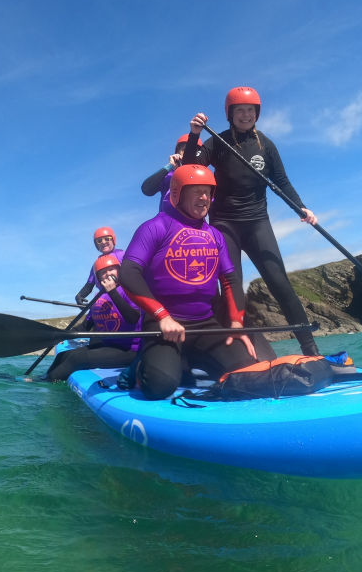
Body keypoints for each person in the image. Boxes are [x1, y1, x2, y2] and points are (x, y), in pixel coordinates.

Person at [183, 86, 320, 356]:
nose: (245, 115)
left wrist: (301, 207)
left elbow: (281, 181)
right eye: (239, 110)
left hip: (258, 223)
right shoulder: (217, 142)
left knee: (279, 282)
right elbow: (190, 169)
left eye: (250, 110)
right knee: (233, 287)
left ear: (256, 113)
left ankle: (310, 348)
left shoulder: (266, 145)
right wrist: (194, 135)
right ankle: (238, 351)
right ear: (230, 114)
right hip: (225, 224)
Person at [119, 163, 276, 400]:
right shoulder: (155, 227)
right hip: (165, 325)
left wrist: (235, 323)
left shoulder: (215, 235)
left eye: (208, 191)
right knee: (159, 386)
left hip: (206, 323)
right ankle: (142, 365)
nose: (205, 198)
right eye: (197, 191)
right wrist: (162, 316)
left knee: (247, 373)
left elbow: (230, 280)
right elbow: (128, 272)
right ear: (177, 193)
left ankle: (190, 359)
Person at [46, 254, 143, 382]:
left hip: (130, 351)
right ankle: (43, 378)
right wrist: (63, 335)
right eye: (103, 272)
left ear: (119, 271)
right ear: (98, 277)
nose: (108, 274)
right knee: (65, 355)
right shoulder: (99, 297)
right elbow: (86, 325)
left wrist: (113, 292)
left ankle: (45, 383)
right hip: (109, 346)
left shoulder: (128, 290)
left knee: (77, 358)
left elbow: (133, 318)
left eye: (111, 269)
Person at [140, 134, 206, 211]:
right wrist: (170, 165)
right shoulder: (168, 175)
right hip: (168, 221)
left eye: (193, 151)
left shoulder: (204, 176)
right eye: (185, 150)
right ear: (178, 153)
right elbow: (147, 189)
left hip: (195, 222)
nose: (189, 153)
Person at [74, 227, 125, 305]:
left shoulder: (123, 255)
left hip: (124, 297)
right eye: (99, 241)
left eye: (107, 239)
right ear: (96, 245)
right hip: (106, 299)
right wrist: (80, 295)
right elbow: (89, 284)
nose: (103, 242)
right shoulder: (96, 264)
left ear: (113, 240)